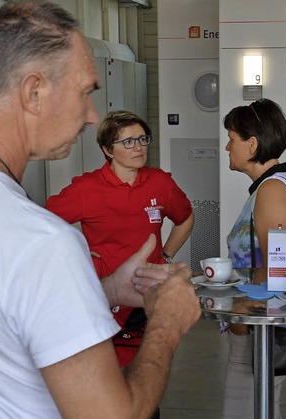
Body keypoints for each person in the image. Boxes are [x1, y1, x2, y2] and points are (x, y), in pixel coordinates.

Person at [0, 2, 201, 417]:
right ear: (33, 92)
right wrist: (166, 321)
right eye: (85, 92)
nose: (92, 117)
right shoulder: (42, 240)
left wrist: (105, 290)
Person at [46, 110, 194, 369]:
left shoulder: (160, 183)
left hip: (146, 297)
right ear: (108, 149)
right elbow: (41, 224)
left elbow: (185, 218)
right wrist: (77, 255)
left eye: (142, 139)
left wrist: (166, 256)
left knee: (147, 375)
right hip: (103, 298)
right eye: (128, 141)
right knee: (105, 379)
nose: (138, 147)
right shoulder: (86, 189)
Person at [222, 98, 286, 419]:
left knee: (245, 408)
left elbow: (274, 269)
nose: (226, 147)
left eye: (231, 139)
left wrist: (245, 322)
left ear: (251, 144)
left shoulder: (273, 189)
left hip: (260, 326)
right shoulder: (277, 184)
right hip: (257, 323)